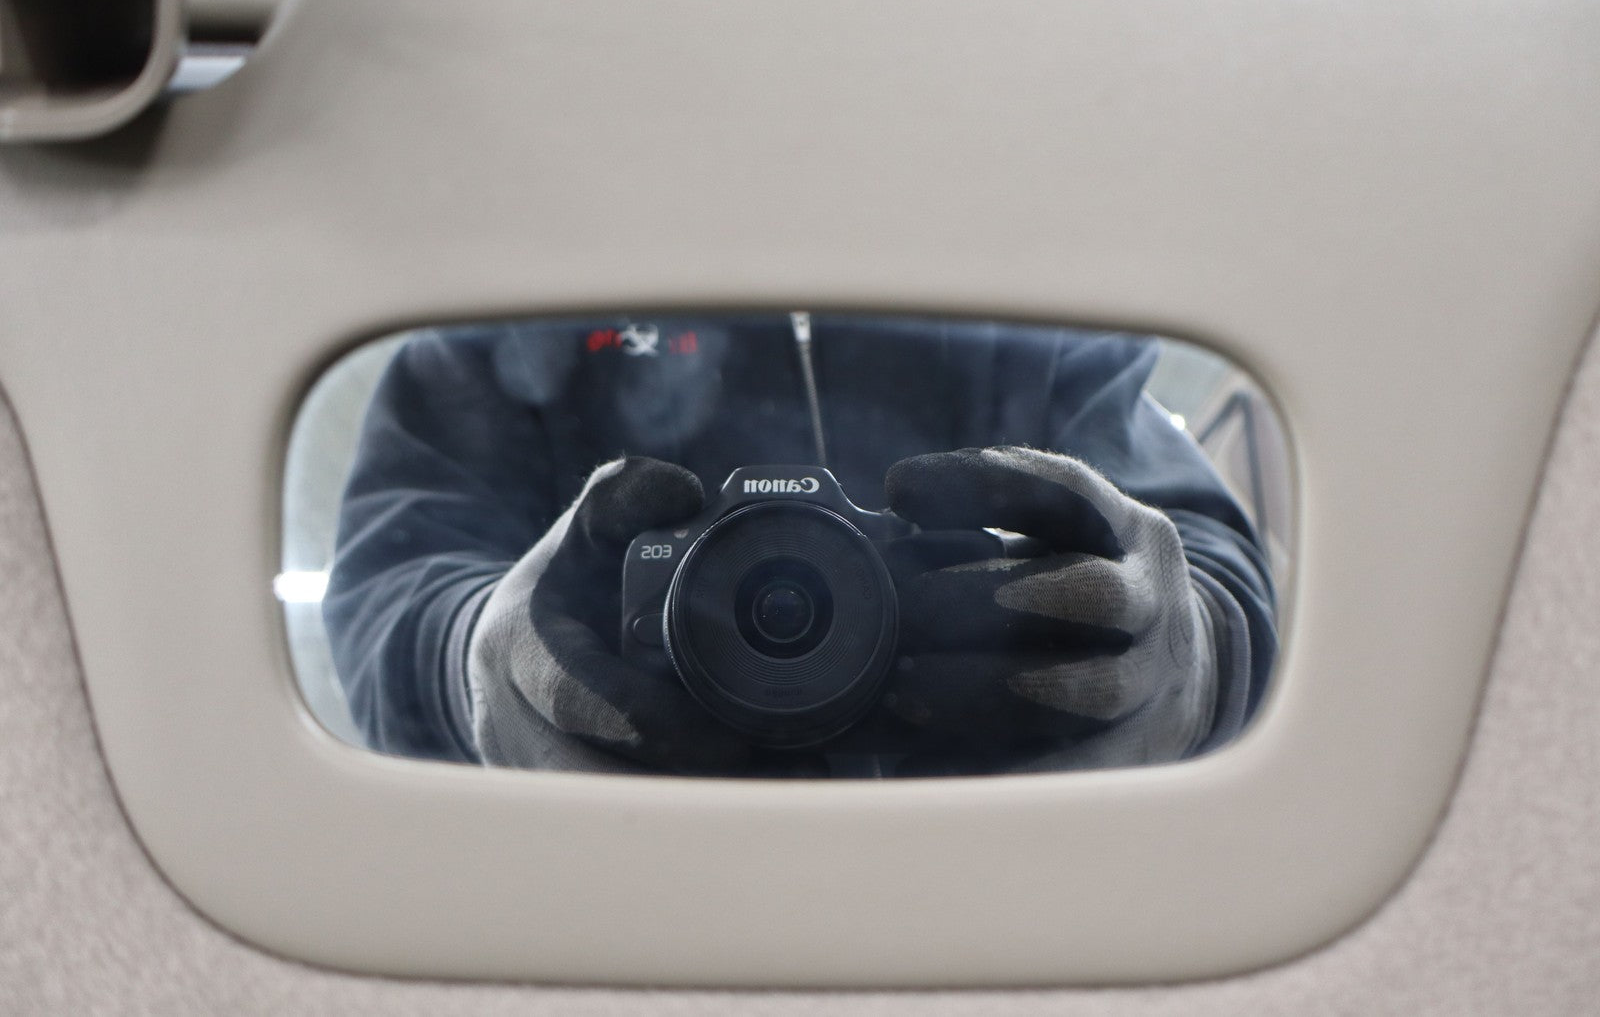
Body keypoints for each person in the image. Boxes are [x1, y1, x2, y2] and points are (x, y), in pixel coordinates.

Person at [322, 314, 1275, 777]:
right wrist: (478, 654)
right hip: (616, 891)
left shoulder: (1023, 284)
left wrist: (1184, 646)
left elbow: (1194, 560)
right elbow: (397, 569)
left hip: (985, 884)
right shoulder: (523, 281)